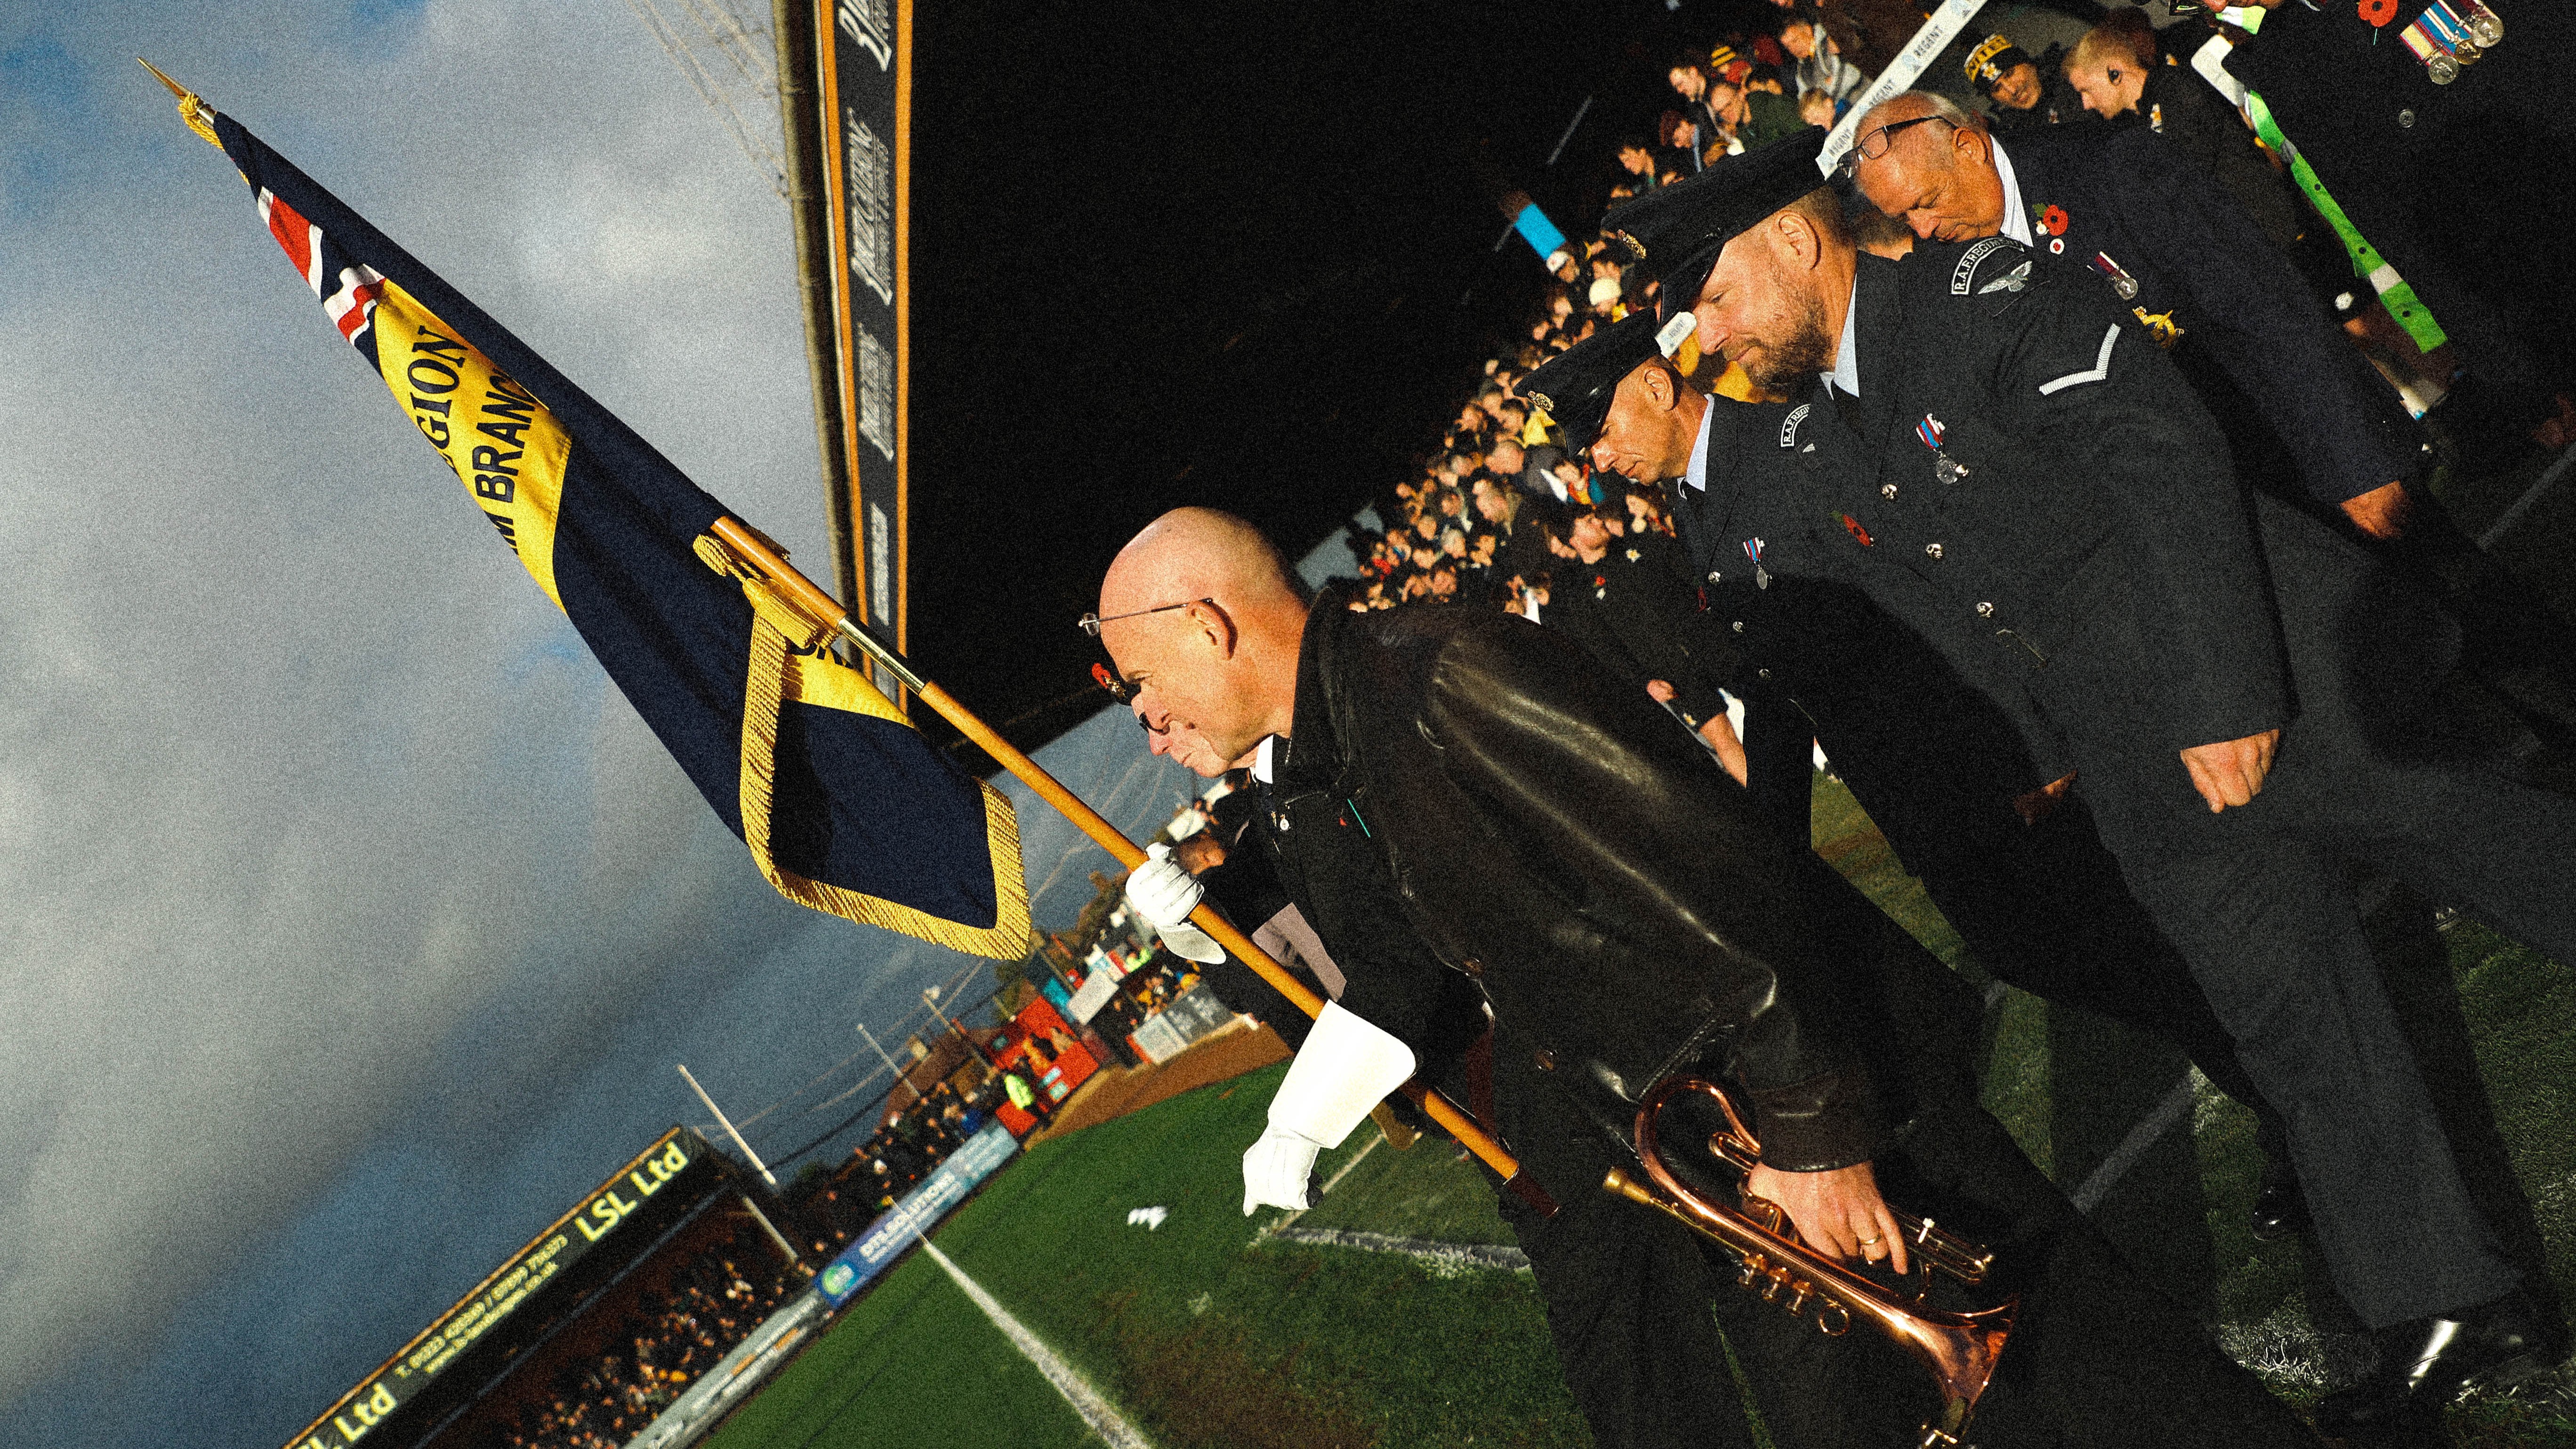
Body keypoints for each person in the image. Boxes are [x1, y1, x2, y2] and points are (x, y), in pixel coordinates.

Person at [1666, 124, 2571, 1436]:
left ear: (1796, 242)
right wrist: (2053, 748)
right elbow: (1962, 594)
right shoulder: (1830, 422)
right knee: (2292, 1017)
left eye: (1714, 292)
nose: (1709, 331)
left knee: (2502, 846)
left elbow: (2160, 453)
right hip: (2139, 754)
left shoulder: (1982, 294)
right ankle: (2447, 1297)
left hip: (2276, 685)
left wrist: (2222, 696)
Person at [1097, 507, 2316, 1449]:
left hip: (1807, 1106)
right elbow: (1431, 961)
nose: (1145, 724)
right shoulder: (1352, 731)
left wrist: (1816, 1135)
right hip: (1737, 1141)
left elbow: (1720, 867)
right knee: (2040, 1369)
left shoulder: (1440, 676)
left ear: (1208, 625)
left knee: (2086, 1356)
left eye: (1140, 683)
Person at [2060, 15, 2302, 251]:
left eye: (2087, 90)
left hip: (2272, 236)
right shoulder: (2143, 118)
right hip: (2248, 241)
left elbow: (2186, 182)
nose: (2086, 104)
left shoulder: (2177, 90)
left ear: (2115, 71)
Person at [1960, 33, 2072, 133]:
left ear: (2029, 65)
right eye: (1998, 88)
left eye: (2010, 74)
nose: (2012, 90)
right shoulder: (2017, 134)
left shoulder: (2077, 76)